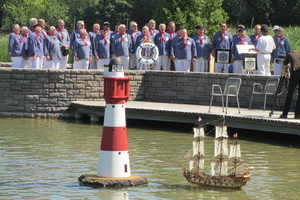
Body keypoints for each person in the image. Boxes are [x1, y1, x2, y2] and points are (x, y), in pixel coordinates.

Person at [279, 51, 300, 119]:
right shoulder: (299, 55)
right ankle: (297, 114)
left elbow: (284, 65)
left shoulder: (289, 54)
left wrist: (283, 73)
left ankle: (285, 114)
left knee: (289, 94)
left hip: (295, 74)